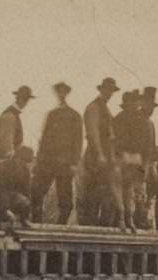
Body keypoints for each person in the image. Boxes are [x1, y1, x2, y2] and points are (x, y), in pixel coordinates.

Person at [30, 82, 82, 225]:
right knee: (37, 193)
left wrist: (74, 163)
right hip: (48, 162)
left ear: (67, 94)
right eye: (59, 92)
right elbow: (44, 139)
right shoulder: (52, 115)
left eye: (63, 92)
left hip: (65, 164)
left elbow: (78, 141)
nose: (61, 95)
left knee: (66, 202)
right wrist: (38, 161)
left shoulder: (75, 116)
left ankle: (60, 227)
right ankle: (37, 224)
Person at [78, 77, 119, 226]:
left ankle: (102, 228)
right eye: (107, 89)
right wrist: (100, 154)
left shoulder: (106, 109)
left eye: (112, 90)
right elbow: (92, 132)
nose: (110, 93)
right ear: (101, 89)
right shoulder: (93, 107)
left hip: (106, 156)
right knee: (93, 194)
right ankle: (89, 227)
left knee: (106, 193)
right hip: (95, 157)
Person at [109, 90, 148, 233]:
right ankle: (126, 219)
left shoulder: (120, 119)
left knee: (123, 189)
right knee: (126, 190)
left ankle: (124, 219)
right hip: (130, 157)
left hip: (127, 157)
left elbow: (112, 140)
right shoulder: (138, 120)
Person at [0, 145, 35, 229]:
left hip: (11, 194)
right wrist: (6, 209)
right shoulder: (2, 165)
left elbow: (26, 191)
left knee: (24, 201)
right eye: (22, 160)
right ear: (16, 157)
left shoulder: (25, 170)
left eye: (26, 162)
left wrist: (27, 209)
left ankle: (23, 219)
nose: (24, 163)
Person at [134, 86, 158, 228]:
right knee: (138, 193)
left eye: (153, 105)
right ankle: (139, 221)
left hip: (148, 163)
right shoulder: (138, 120)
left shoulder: (150, 123)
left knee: (148, 193)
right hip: (138, 164)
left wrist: (152, 164)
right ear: (142, 103)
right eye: (148, 104)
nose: (151, 108)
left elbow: (152, 147)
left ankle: (143, 219)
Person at [0, 85, 33, 160]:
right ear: (18, 98)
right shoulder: (9, 116)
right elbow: (7, 147)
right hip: (5, 163)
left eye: (26, 99)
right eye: (24, 99)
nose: (25, 102)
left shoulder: (15, 115)